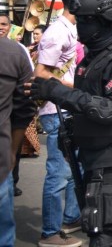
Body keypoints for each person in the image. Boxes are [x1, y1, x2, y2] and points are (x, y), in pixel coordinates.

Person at [26, 0, 112, 246]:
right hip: (95, 157)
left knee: (109, 237)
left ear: (102, 22)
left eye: (84, 20)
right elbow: (86, 104)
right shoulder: (91, 60)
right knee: (96, 230)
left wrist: (56, 91)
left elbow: (111, 110)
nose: (79, 25)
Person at [34, 0, 86, 247]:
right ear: (77, 3)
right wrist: (77, 87)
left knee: (72, 168)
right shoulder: (57, 32)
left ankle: (70, 218)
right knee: (58, 173)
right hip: (55, 110)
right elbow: (42, 74)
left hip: (67, 108)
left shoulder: (71, 30)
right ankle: (50, 232)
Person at [1, 34, 36, 247]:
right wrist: (12, 151)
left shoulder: (14, 51)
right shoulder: (14, 51)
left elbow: (25, 104)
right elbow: (25, 105)